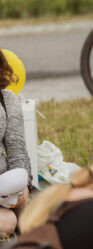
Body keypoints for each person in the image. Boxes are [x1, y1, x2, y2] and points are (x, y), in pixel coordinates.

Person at [0, 49, 31, 236]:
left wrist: (23, 187)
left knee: (41, 215)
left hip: (5, 186)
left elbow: (17, 147)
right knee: (7, 224)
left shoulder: (7, 100)